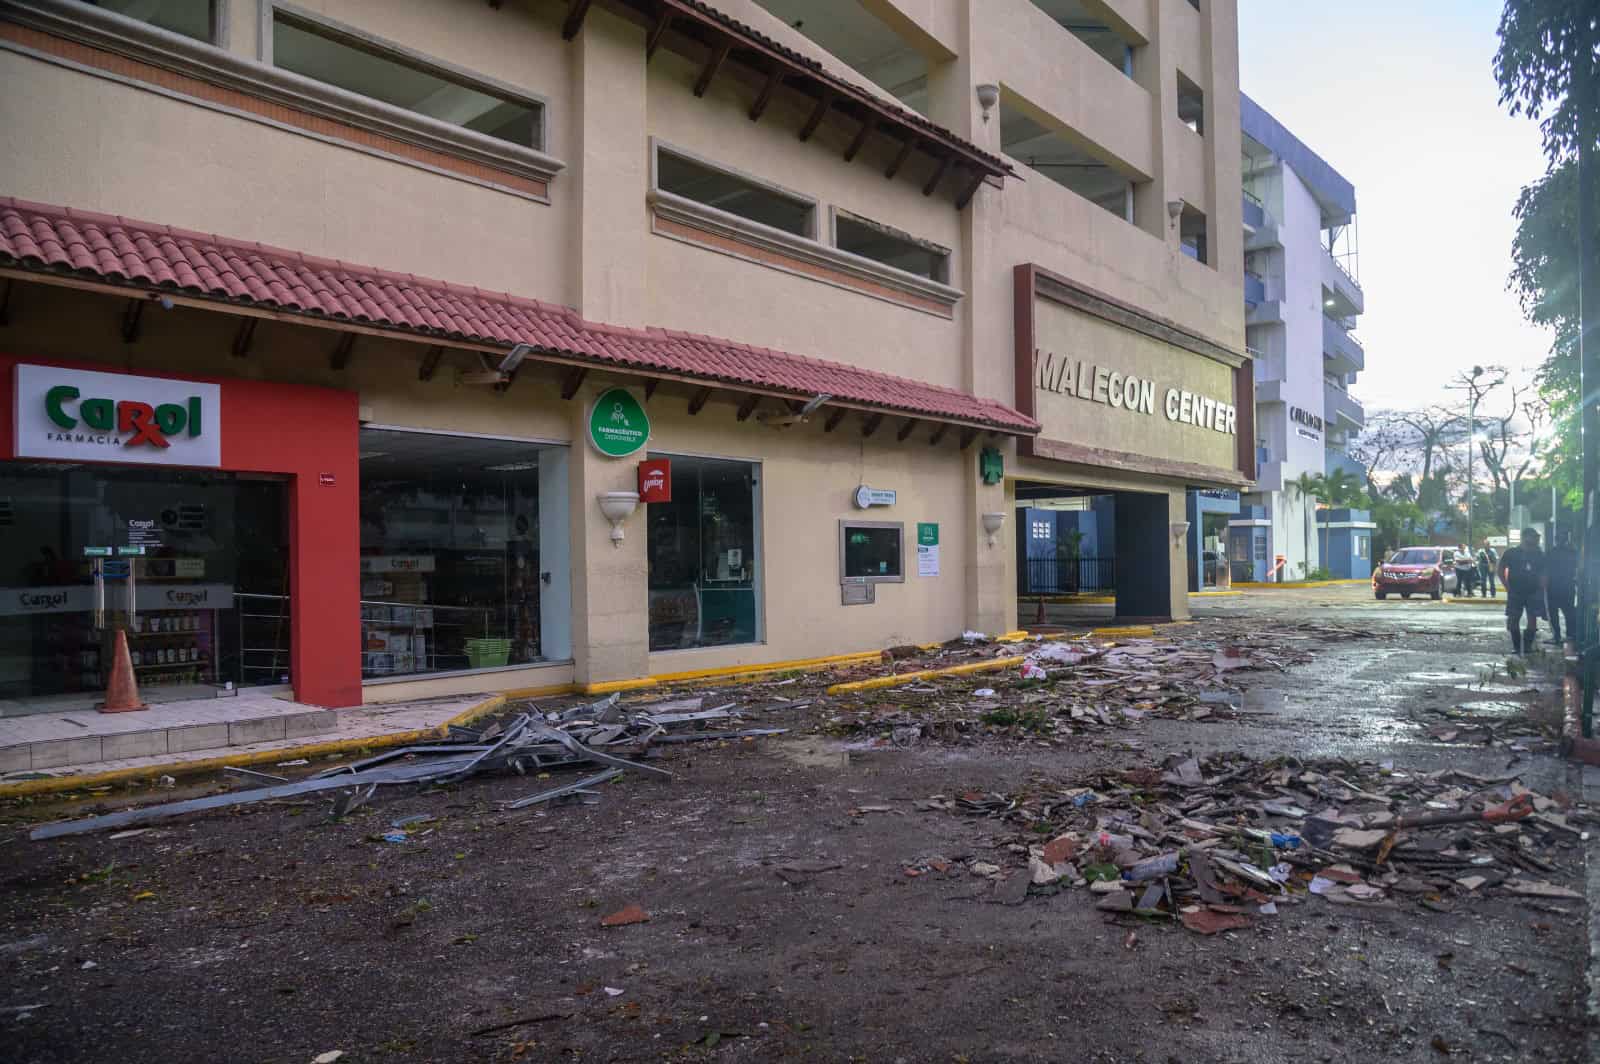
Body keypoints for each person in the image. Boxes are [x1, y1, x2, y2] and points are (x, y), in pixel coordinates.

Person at [1498, 529, 1548, 654]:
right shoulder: (1512, 552)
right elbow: (1501, 568)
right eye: (1534, 537)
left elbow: (1544, 573)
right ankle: (1516, 647)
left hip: (1533, 592)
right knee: (1513, 620)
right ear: (1525, 537)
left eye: (1537, 537)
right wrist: (1506, 586)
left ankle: (1527, 647)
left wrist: (1543, 588)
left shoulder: (1539, 554)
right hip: (1515, 592)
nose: (1537, 539)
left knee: (1532, 620)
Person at [1545, 532, 1578, 647]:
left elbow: (1545, 570)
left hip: (1553, 587)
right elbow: (1576, 568)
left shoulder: (1550, 553)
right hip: (1568, 586)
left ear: (1556, 540)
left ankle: (1557, 636)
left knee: (1553, 613)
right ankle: (1570, 634)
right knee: (1569, 612)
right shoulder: (1572, 553)